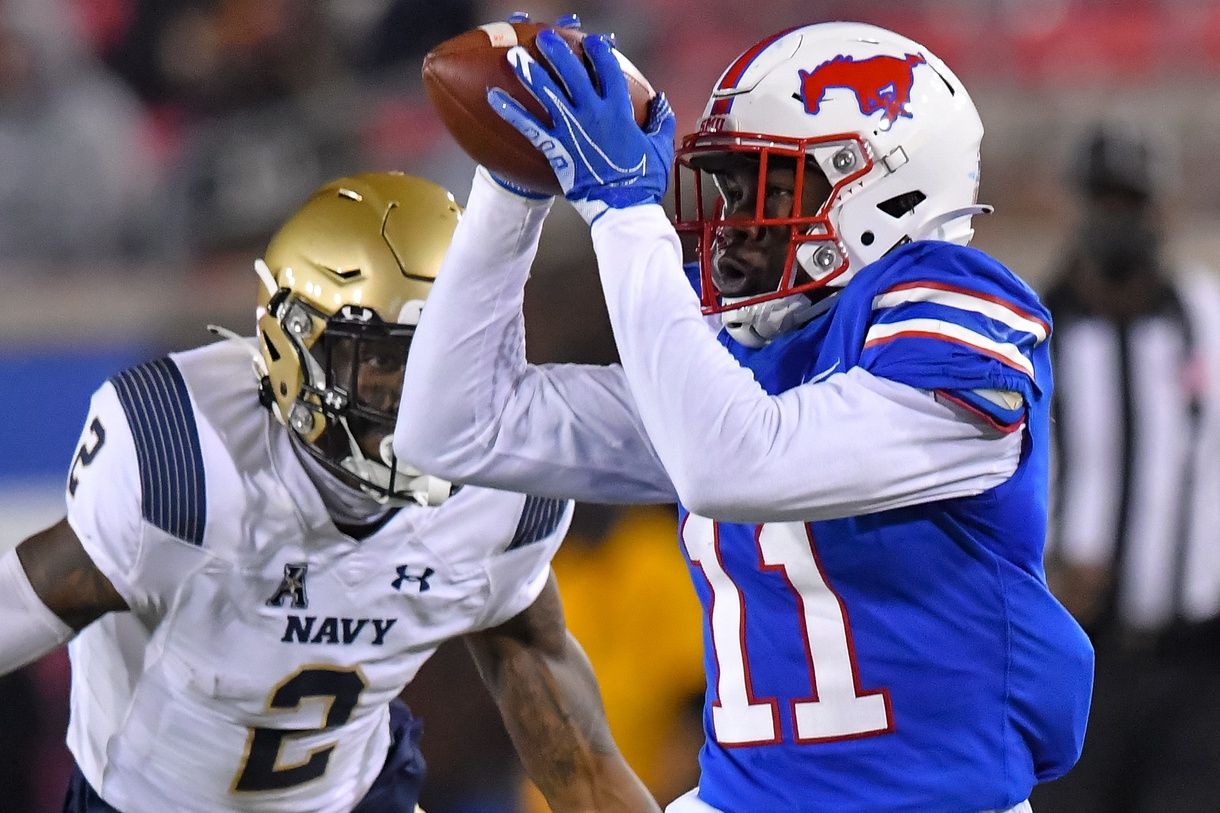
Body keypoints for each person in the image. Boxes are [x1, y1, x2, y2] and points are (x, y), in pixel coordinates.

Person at [396, 20, 1094, 813]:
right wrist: (515, 175)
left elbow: (735, 465)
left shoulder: (955, 318)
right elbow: (454, 425)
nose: (733, 225)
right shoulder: (745, 363)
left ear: (884, 192)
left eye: (770, 188)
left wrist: (624, 213)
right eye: (729, 190)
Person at [0, 172, 657, 813]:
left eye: (447, 352)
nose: (421, 394)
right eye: (383, 360)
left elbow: (582, 763)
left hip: (358, 793)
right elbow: (20, 605)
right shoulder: (188, 466)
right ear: (292, 348)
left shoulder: (508, 488)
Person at [1032, 123, 1220, 812]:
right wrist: (1045, 569)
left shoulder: (1207, 319)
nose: (1119, 220)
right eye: (1105, 202)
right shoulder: (1031, 333)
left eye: (1131, 202)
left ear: (1159, 210)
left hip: (1196, 666)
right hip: (1081, 661)